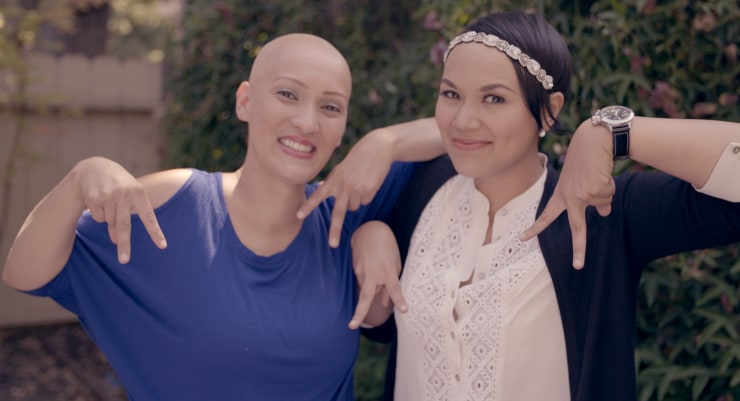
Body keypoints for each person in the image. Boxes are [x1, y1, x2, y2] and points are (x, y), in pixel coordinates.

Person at [1, 33, 444, 401]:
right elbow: (25, 272)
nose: (308, 122)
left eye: (330, 106)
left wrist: (383, 144)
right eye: (288, 94)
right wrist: (81, 176)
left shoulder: (344, 209)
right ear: (246, 102)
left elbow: (467, 131)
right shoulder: (177, 204)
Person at [354, 10, 740, 401]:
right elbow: (373, 312)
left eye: (493, 99)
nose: (462, 120)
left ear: (551, 109)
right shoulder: (419, 190)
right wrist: (370, 232)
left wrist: (612, 133)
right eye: (451, 94)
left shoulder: (602, 215)